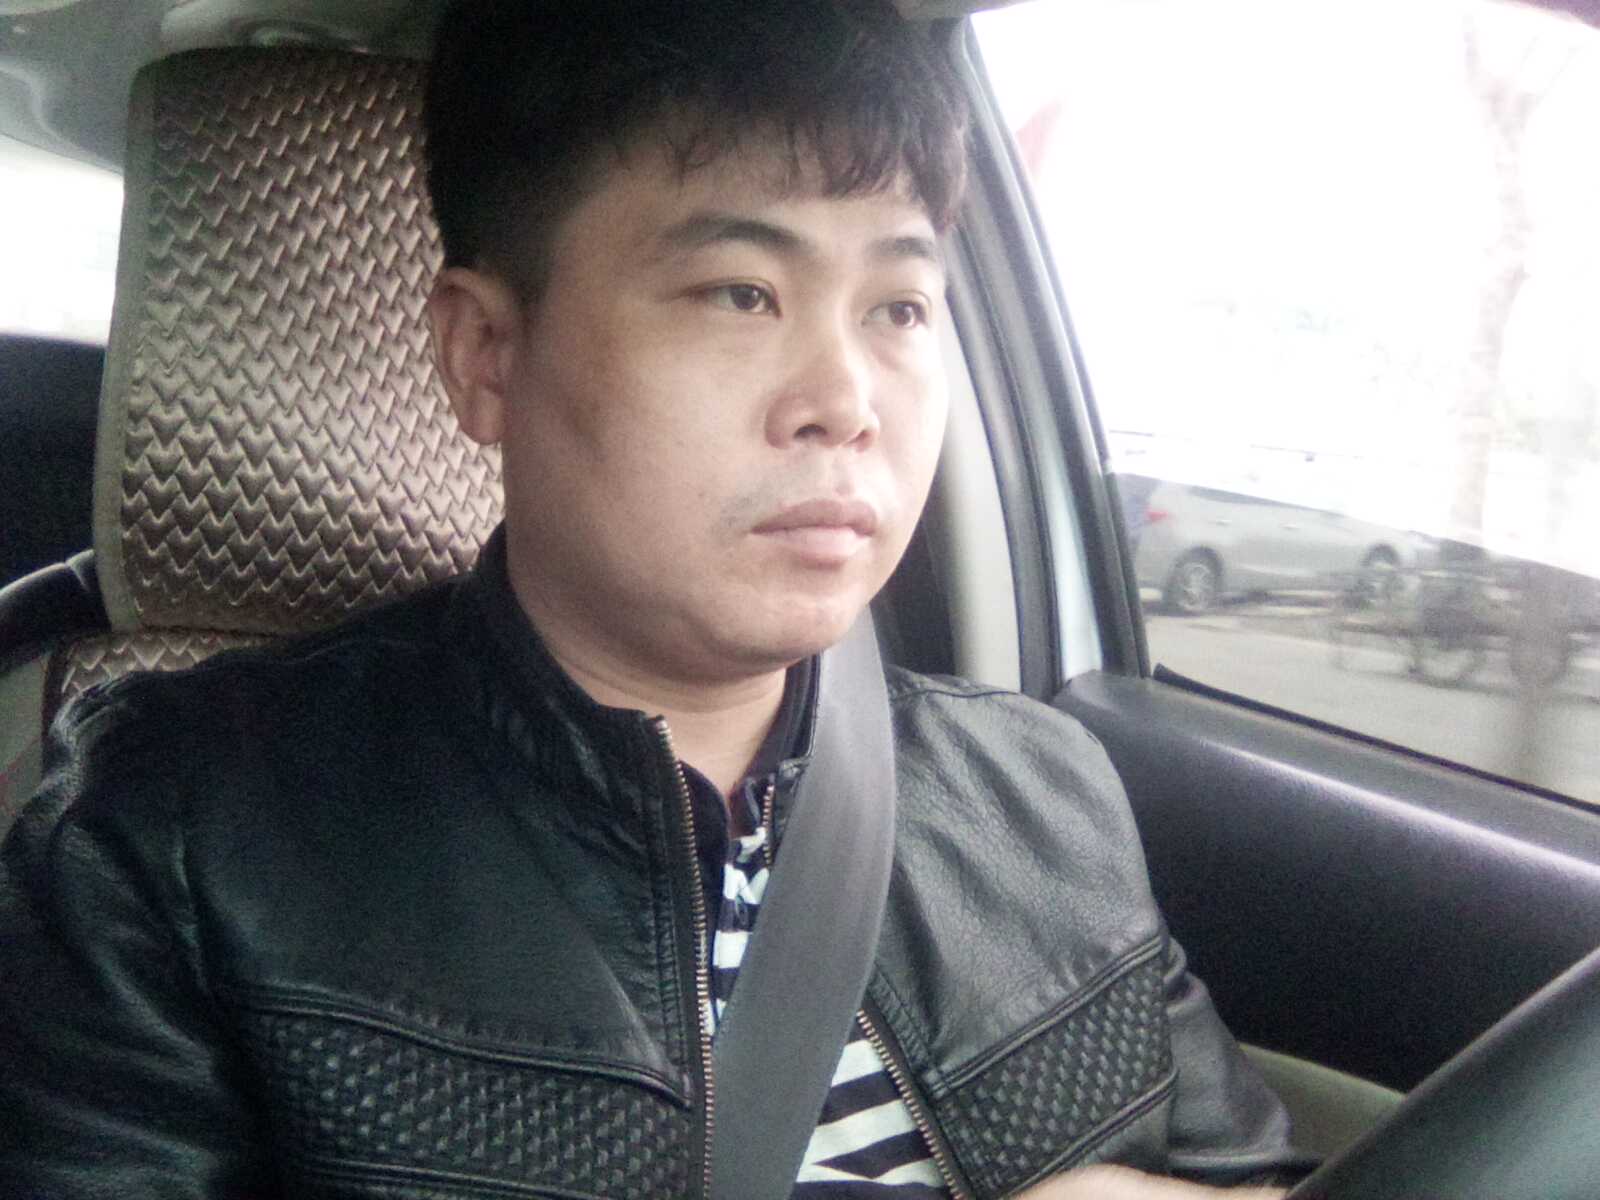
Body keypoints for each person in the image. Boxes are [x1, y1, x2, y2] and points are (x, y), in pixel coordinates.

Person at [0, 1, 1315, 1195]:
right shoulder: (166, 839)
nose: (846, 401)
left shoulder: (1046, 796)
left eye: (902, 309)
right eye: (742, 294)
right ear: (486, 354)